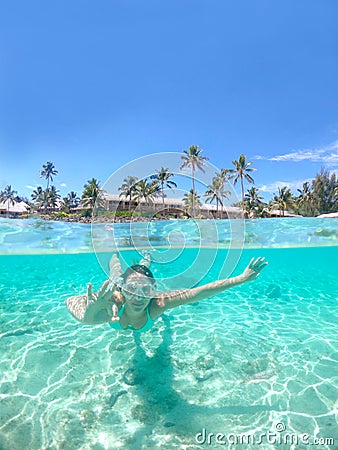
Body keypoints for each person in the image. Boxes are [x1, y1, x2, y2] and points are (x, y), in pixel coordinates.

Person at [65, 254, 268, 332]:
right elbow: (70, 302)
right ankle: (115, 253)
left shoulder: (159, 303)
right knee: (115, 272)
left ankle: (146, 259)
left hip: (138, 286)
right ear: (124, 290)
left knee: (143, 267)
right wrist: (89, 311)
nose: (137, 297)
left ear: (154, 290)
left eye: (145, 290)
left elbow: (199, 292)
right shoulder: (113, 301)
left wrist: (240, 279)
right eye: (131, 290)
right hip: (119, 282)